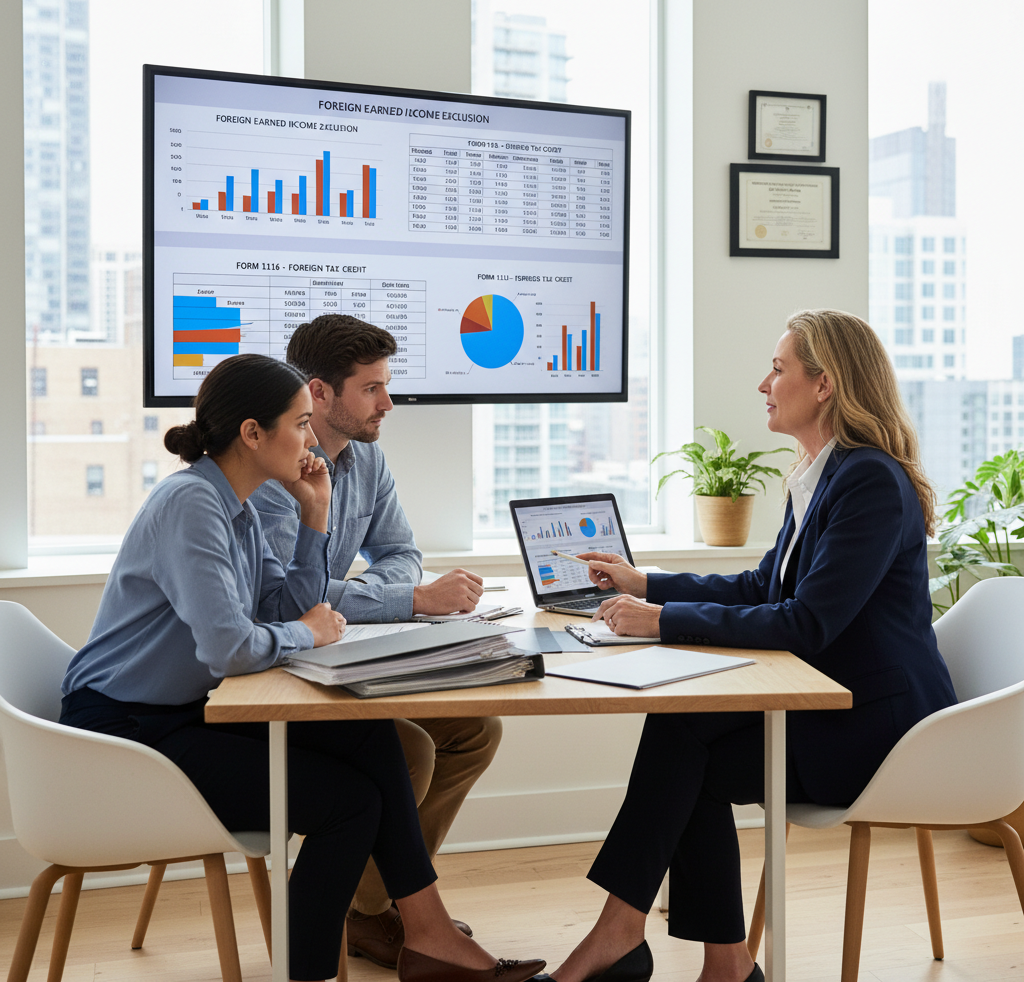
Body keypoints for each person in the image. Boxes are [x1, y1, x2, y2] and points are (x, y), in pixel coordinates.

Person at [59, 354, 543, 982]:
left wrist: (314, 515)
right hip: (130, 732)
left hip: (194, 709)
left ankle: (427, 935)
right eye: (301, 424)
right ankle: (354, 958)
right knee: (348, 803)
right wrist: (306, 631)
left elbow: (281, 604)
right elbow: (233, 648)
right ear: (252, 433)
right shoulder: (192, 505)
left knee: (370, 739)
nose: (314, 440)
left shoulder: (240, 504)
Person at [547, 310, 958, 982]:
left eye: (779, 367)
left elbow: (805, 623)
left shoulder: (869, 482)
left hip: (879, 729)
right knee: (684, 741)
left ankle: (632, 941)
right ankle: (714, 962)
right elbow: (763, 584)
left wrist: (660, 619)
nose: (764, 382)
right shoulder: (823, 472)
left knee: (686, 749)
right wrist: (646, 581)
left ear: (823, 384)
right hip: (835, 704)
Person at [251, 314, 503, 966]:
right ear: (321, 393)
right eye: (373, 388)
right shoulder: (274, 473)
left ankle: (374, 907)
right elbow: (287, 598)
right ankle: (376, 914)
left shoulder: (368, 460)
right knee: (408, 746)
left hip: (349, 650)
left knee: (475, 727)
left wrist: (388, 593)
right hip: (282, 667)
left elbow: (399, 551)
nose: (388, 403)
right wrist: (407, 600)